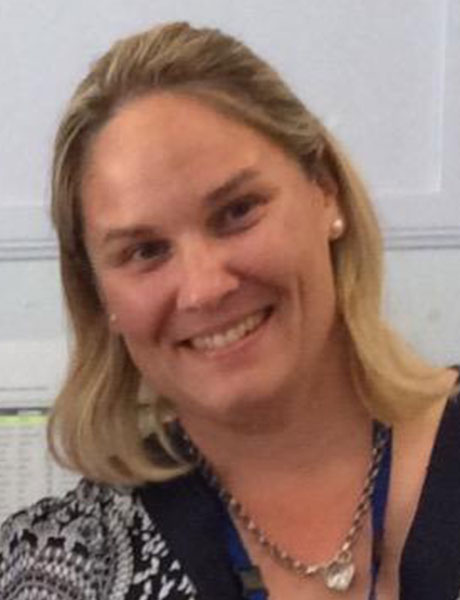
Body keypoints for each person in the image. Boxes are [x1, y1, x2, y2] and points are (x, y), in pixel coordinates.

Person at [0, 21, 458, 600]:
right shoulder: (55, 568)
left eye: (237, 212)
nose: (204, 289)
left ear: (326, 193)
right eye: (145, 251)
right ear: (99, 296)